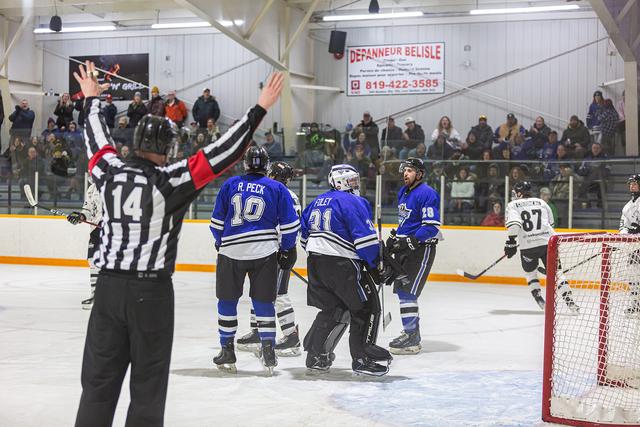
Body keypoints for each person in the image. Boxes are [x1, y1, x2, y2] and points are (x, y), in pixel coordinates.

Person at [72, 61, 283, 426]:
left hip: (107, 290)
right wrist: (259, 108)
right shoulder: (170, 180)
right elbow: (222, 153)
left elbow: (96, 139)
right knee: (148, 389)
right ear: (167, 148)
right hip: (150, 294)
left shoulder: (109, 171)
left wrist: (91, 99)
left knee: (97, 385)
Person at [210, 146, 299, 375]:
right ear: (266, 165)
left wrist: (221, 242)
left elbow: (216, 223)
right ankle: (268, 351)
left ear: (245, 164)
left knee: (227, 301)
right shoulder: (277, 188)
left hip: (231, 252)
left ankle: (227, 350)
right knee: (264, 302)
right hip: (265, 252)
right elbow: (290, 226)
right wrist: (287, 249)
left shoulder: (230, 184)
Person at [301, 163, 392, 376]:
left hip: (315, 262)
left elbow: (304, 238)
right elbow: (365, 241)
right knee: (366, 309)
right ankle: (362, 358)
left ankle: (316, 356)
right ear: (339, 182)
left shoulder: (315, 202)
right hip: (343, 264)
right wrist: (375, 265)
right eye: (351, 181)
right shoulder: (353, 201)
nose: (355, 185)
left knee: (333, 309)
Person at [235, 161, 303, 356]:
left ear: (273, 175)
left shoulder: (276, 193)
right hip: (276, 249)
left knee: (278, 295)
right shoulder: (289, 194)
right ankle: (257, 332)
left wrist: (282, 249)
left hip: (279, 251)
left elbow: (283, 226)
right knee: (259, 291)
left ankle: (291, 337)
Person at [386, 158, 441, 354]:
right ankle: (410, 332)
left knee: (408, 291)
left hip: (422, 249)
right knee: (403, 291)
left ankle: (412, 337)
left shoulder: (427, 193)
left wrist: (409, 241)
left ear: (419, 174)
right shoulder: (403, 191)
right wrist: (396, 236)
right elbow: (406, 222)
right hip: (407, 248)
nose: (405, 173)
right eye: (405, 170)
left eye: (410, 170)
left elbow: (431, 227)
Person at [504, 181, 578, 312]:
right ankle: (570, 302)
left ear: (519, 193)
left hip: (528, 248)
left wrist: (511, 241)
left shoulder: (513, 205)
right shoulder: (541, 202)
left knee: (530, 272)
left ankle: (539, 299)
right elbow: (551, 224)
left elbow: (515, 224)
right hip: (548, 243)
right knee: (558, 273)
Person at [66, 177, 102, 309]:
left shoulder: (114, 184)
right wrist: (80, 216)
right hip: (95, 231)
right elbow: (88, 209)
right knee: (93, 262)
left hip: (111, 231)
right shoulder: (92, 189)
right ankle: (96, 296)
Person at [618, 174, 640, 314]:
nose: (632, 185)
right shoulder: (627, 207)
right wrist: (625, 234)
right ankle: (636, 303)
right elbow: (623, 226)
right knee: (632, 273)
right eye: (630, 183)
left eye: (635, 183)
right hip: (635, 246)